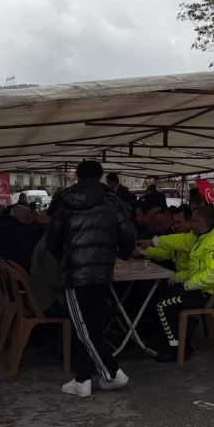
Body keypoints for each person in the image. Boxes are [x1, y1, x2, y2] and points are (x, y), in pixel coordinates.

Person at [46, 160, 136, 395]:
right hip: (104, 270)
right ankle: (83, 379)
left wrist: (62, 256)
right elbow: (128, 231)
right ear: (101, 176)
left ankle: (112, 372)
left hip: (76, 271)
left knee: (84, 327)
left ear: (77, 175)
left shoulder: (64, 199)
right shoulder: (112, 200)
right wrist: (123, 254)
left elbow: (53, 235)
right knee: (91, 325)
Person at [152, 205, 214, 363]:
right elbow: (196, 269)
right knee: (164, 294)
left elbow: (213, 275)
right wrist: (179, 279)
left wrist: (187, 284)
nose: (189, 224)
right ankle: (184, 341)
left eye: (192, 221)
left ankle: (176, 349)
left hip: (208, 294)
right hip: (201, 289)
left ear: (201, 224)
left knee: (163, 304)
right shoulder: (203, 238)